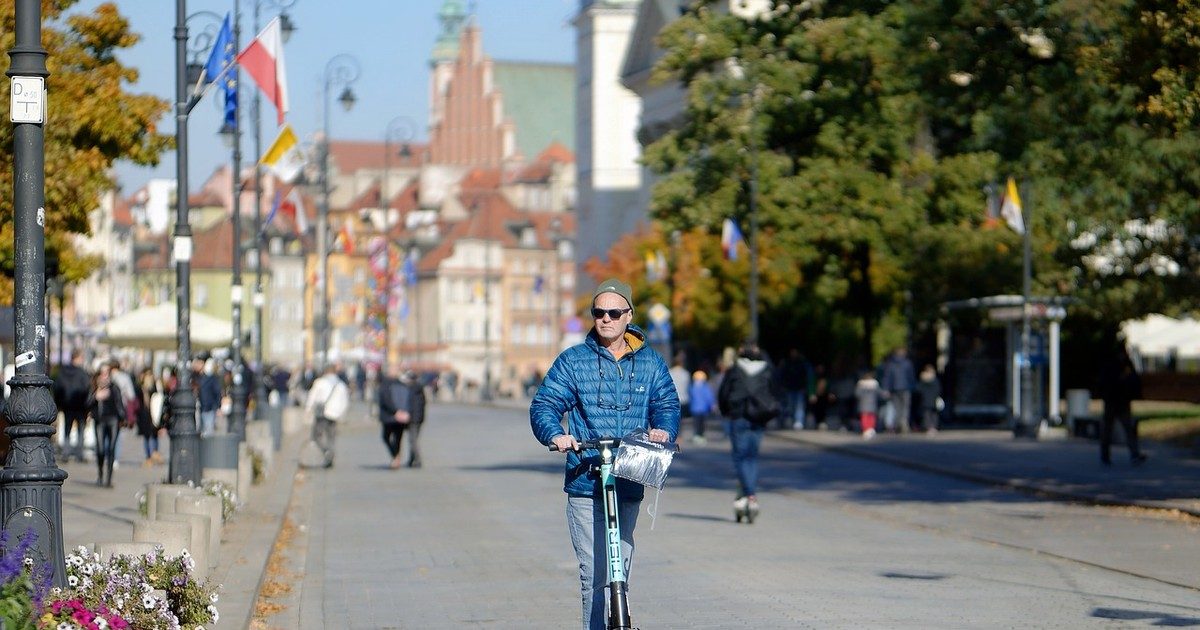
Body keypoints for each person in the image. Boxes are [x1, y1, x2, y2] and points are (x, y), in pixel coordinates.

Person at [530, 277, 679, 630]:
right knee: (595, 575)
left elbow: (667, 404)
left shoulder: (650, 362)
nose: (606, 319)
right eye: (599, 312)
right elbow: (545, 404)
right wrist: (556, 434)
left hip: (628, 477)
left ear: (629, 315)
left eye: (614, 312)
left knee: (620, 569)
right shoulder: (574, 361)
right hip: (586, 480)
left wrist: (664, 430)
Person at [717, 342, 779, 518]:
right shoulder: (767, 369)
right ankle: (747, 494)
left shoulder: (735, 369)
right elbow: (775, 392)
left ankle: (749, 495)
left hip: (739, 417)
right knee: (751, 457)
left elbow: (724, 393)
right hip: (759, 416)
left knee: (741, 458)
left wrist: (725, 411)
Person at [1098, 348, 1147, 466]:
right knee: (1116, 429)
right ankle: (1109, 455)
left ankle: (1131, 454)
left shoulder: (1122, 364)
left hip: (1119, 401)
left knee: (1121, 428)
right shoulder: (1116, 365)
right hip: (1116, 401)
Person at [378, 365, 427, 469]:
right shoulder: (403, 385)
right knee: (400, 438)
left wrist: (400, 412)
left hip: (401, 416)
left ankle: (403, 458)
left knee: (404, 438)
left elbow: (388, 400)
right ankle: (401, 458)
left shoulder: (403, 385)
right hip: (402, 416)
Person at [87, 362, 125, 487]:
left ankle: (108, 479)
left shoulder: (114, 387)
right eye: (102, 373)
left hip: (113, 420)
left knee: (112, 448)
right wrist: (96, 396)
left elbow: (119, 404)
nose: (104, 376)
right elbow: (86, 404)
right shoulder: (94, 387)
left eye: (106, 373)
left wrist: (122, 418)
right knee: (101, 449)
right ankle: (100, 474)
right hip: (100, 420)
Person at [305, 364, 350, 468]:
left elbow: (312, 396)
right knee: (331, 436)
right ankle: (330, 452)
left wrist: (308, 409)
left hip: (322, 413)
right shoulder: (340, 384)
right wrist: (341, 414)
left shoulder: (320, 382)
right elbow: (345, 401)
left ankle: (327, 452)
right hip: (335, 414)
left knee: (316, 436)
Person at [53, 350, 91, 463]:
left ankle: (66, 453)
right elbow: (87, 389)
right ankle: (79, 454)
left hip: (67, 406)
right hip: (80, 406)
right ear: (77, 358)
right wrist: (88, 405)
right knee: (80, 429)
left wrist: (59, 404)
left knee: (67, 429)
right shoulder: (83, 373)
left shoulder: (62, 372)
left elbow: (57, 388)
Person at [880, 347, 916, 433]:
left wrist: (886, 388)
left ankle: (898, 423)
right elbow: (911, 377)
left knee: (897, 407)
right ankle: (903, 421)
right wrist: (912, 386)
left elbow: (887, 377)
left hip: (894, 388)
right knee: (905, 406)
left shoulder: (891, 364)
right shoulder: (908, 363)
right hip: (906, 387)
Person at [778, 347, 812, 429]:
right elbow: (783, 376)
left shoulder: (802, 363)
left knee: (799, 406)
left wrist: (806, 387)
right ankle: (794, 420)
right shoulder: (787, 363)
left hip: (799, 388)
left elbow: (807, 376)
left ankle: (798, 421)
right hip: (790, 388)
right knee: (791, 406)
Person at [136, 367, 163, 466]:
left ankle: (152, 455)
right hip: (147, 415)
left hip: (151, 414)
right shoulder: (143, 387)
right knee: (149, 435)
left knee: (151, 435)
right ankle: (151, 455)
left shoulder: (153, 386)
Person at [688, 370, 716, 444]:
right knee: (702, 423)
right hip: (704, 409)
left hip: (695, 408)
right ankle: (701, 435)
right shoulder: (705, 387)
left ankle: (696, 435)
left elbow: (690, 397)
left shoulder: (692, 387)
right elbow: (709, 397)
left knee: (696, 423)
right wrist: (712, 405)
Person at [915, 364, 942, 434]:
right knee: (934, 415)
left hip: (925, 400)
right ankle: (933, 427)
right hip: (934, 399)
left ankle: (928, 427)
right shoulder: (935, 379)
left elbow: (918, 389)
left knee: (926, 415)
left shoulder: (922, 379)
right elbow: (939, 389)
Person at [855, 369, 881, 440]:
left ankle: (866, 429)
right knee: (872, 417)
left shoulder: (860, 384)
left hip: (863, 404)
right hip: (873, 404)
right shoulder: (875, 384)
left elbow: (857, 394)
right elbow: (879, 394)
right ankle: (871, 428)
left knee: (864, 417)